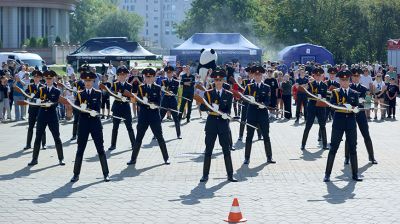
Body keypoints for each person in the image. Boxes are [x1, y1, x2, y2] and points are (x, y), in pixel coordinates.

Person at [199, 67, 237, 182]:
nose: (218, 82)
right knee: (208, 150)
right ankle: (205, 175)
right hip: (211, 124)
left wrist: (225, 114)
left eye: (220, 80)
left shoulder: (228, 94)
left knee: (226, 150)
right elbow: (202, 106)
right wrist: (210, 107)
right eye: (216, 80)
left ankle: (230, 175)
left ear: (223, 81)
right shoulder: (208, 93)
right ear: (214, 81)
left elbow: (229, 110)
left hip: (223, 125)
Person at [70, 71, 110, 183]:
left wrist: (93, 111)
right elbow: (75, 109)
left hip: (95, 123)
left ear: (93, 81)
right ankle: (76, 174)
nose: (87, 83)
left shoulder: (98, 93)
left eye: (90, 81)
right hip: (83, 124)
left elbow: (98, 107)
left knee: (100, 149)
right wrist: (79, 108)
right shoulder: (79, 93)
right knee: (80, 149)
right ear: (83, 81)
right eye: (86, 81)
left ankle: (106, 173)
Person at [324, 70, 362, 182]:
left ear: (349, 80)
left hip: (350, 123)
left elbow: (358, 108)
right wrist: (344, 105)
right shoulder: (335, 92)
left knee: (353, 148)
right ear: (339, 81)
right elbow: (332, 106)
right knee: (333, 148)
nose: (344, 82)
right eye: (342, 80)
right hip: (338, 123)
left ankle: (355, 174)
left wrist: (355, 109)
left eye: (346, 80)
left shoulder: (355, 93)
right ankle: (327, 174)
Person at [127, 68, 170, 165]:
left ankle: (166, 158)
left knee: (159, 137)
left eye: (151, 77)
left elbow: (159, 101)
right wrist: (143, 103)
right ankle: (133, 159)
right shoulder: (140, 87)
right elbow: (137, 102)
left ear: (154, 77)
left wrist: (153, 104)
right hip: (143, 116)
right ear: (144, 77)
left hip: (154, 115)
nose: (149, 79)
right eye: (147, 77)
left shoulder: (158, 87)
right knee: (139, 138)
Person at [28, 70, 65, 166]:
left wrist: (51, 103)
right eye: (47, 78)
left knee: (57, 137)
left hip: (52, 115)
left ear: (53, 79)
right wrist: (37, 100)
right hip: (42, 115)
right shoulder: (41, 89)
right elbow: (34, 99)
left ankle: (61, 158)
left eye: (50, 78)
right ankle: (34, 159)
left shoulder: (56, 90)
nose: (48, 80)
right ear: (44, 79)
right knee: (38, 137)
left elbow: (56, 102)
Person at [343, 68, 378, 165]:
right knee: (349, 137)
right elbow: (345, 102)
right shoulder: (347, 88)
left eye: (357, 76)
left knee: (366, 135)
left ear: (360, 77)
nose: (356, 78)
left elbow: (367, 104)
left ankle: (371, 157)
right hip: (350, 115)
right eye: (354, 76)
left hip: (361, 115)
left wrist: (367, 103)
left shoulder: (364, 89)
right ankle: (347, 157)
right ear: (351, 77)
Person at [243, 66, 276, 165]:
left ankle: (269, 157)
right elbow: (244, 98)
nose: (258, 76)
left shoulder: (267, 87)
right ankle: (247, 158)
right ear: (253, 75)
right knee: (249, 136)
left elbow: (268, 100)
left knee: (266, 135)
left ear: (262, 75)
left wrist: (264, 105)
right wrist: (249, 99)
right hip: (252, 113)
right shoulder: (249, 86)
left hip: (263, 114)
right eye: (256, 74)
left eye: (260, 74)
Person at [300, 68, 329, 150]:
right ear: (314, 76)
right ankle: (303, 144)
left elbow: (325, 97)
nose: (318, 77)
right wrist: (316, 96)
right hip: (312, 106)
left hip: (321, 107)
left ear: (322, 76)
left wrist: (321, 98)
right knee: (308, 125)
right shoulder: (310, 84)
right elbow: (307, 95)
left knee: (323, 126)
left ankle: (324, 144)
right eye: (317, 75)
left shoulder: (324, 85)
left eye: (320, 75)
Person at [108, 67, 136, 151]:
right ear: (118, 76)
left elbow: (132, 99)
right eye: (120, 75)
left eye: (124, 75)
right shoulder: (115, 84)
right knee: (115, 127)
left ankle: (134, 143)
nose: (122, 76)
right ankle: (113, 145)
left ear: (127, 75)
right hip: (117, 107)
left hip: (125, 108)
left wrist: (126, 99)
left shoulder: (129, 86)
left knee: (129, 127)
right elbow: (111, 93)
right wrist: (117, 95)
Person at [23, 70, 47, 150]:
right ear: (33, 78)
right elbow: (25, 94)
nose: (36, 78)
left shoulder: (43, 87)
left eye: (38, 77)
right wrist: (29, 95)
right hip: (32, 109)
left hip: (41, 109)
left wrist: (41, 99)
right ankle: (28, 144)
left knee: (42, 127)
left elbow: (46, 97)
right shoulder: (30, 86)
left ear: (40, 78)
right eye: (35, 77)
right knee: (30, 127)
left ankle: (44, 144)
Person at [160, 66, 181, 139]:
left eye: (170, 72)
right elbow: (162, 90)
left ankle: (178, 134)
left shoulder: (176, 82)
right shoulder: (163, 81)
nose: (169, 74)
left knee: (176, 118)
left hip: (172, 101)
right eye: (167, 73)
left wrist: (171, 92)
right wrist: (165, 91)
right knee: (160, 117)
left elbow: (175, 92)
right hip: (165, 100)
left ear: (173, 73)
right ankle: (156, 134)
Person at [70, 67, 85, 141]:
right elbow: (74, 93)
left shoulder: (88, 82)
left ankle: (82, 134)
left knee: (85, 120)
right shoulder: (76, 83)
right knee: (76, 119)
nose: (81, 74)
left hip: (85, 103)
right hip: (78, 102)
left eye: (83, 73)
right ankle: (74, 135)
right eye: (80, 73)